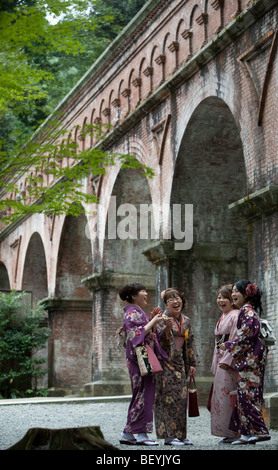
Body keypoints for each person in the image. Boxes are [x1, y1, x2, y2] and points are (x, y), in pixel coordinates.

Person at [219, 279, 271, 445]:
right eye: (232, 290)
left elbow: (247, 336)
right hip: (251, 358)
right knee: (245, 395)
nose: (233, 294)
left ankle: (260, 430)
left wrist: (228, 344)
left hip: (251, 360)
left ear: (246, 294)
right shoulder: (248, 310)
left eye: (236, 291)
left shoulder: (247, 311)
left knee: (247, 395)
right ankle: (246, 433)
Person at [118, 282, 168, 446]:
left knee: (140, 393)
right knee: (143, 394)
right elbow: (135, 334)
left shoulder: (136, 312)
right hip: (140, 358)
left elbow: (145, 332)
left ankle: (128, 433)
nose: (146, 294)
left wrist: (154, 323)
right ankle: (142, 433)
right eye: (143, 291)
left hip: (140, 357)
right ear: (133, 296)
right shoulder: (132, 313)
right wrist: (153, 321)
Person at [154, 287, 199, 446]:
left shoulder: (186, 320)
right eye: (171, 299)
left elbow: (191, 341)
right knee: (167, 398)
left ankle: (180, 435)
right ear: (166, 304)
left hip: (180, 362)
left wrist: (192, 363)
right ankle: (168, 436)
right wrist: (166, 328)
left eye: (178, 298)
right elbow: (156, 340)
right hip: (165, 362)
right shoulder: (161, 318)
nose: (175, 301)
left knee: (181, 398)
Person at [210, 285, 240, 443]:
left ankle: (234, 432)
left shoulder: (235, 315)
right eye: (219, 297)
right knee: (221, 397)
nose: (221, 300)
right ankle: (227, 432)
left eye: (225, 297)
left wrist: (227, 360)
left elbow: (235, 339)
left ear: (232, 301)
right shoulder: (223, 316)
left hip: (229, 362)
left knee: (229, 396)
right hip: (221, 359)